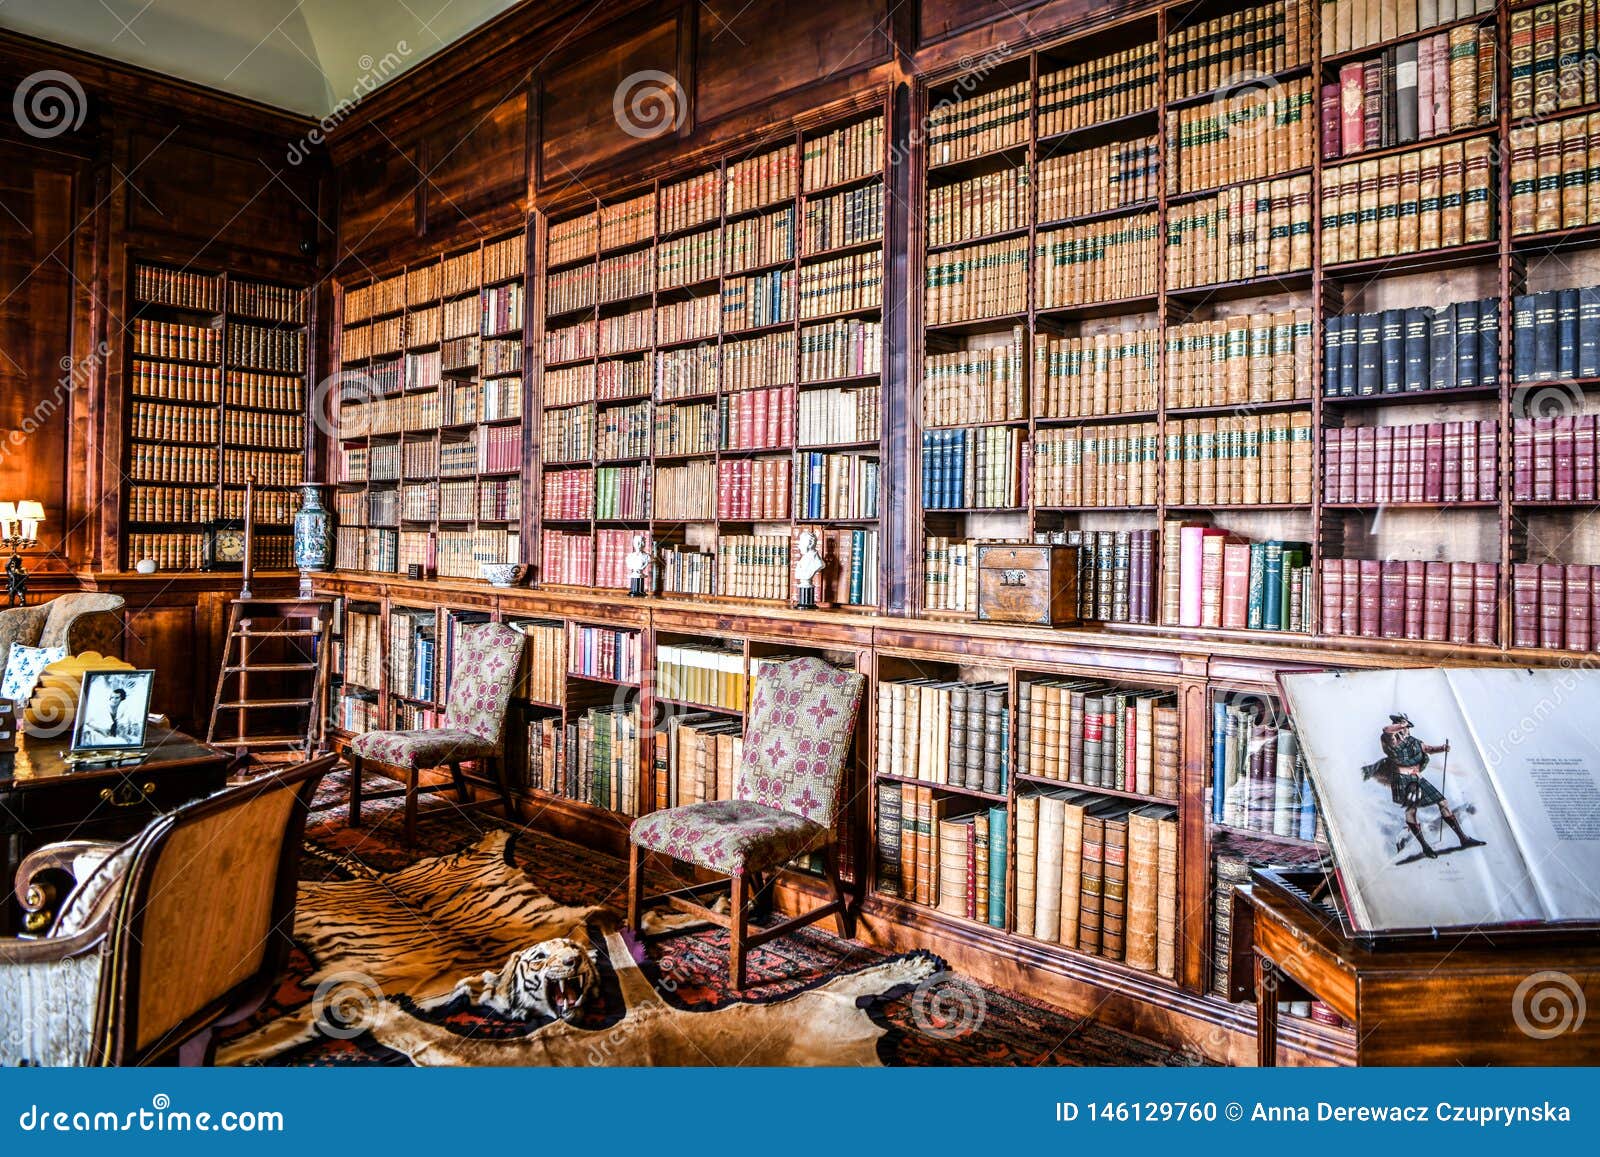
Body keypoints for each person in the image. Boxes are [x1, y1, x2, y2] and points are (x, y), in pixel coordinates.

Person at [1362, 713, 1485, 859]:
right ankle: (1425, 847)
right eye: (1402, 726)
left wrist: (1442, 748)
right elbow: (1386, 730)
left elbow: (1427, 749)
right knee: (1411, 811)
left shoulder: (1413, 741)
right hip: (1402, 780)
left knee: (1443, 803)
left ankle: (1463, 839)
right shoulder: (1390, 739)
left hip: (1416, 778)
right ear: (1397, 726)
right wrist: (1402, 724)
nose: (1406, 729)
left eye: (1407, 726)